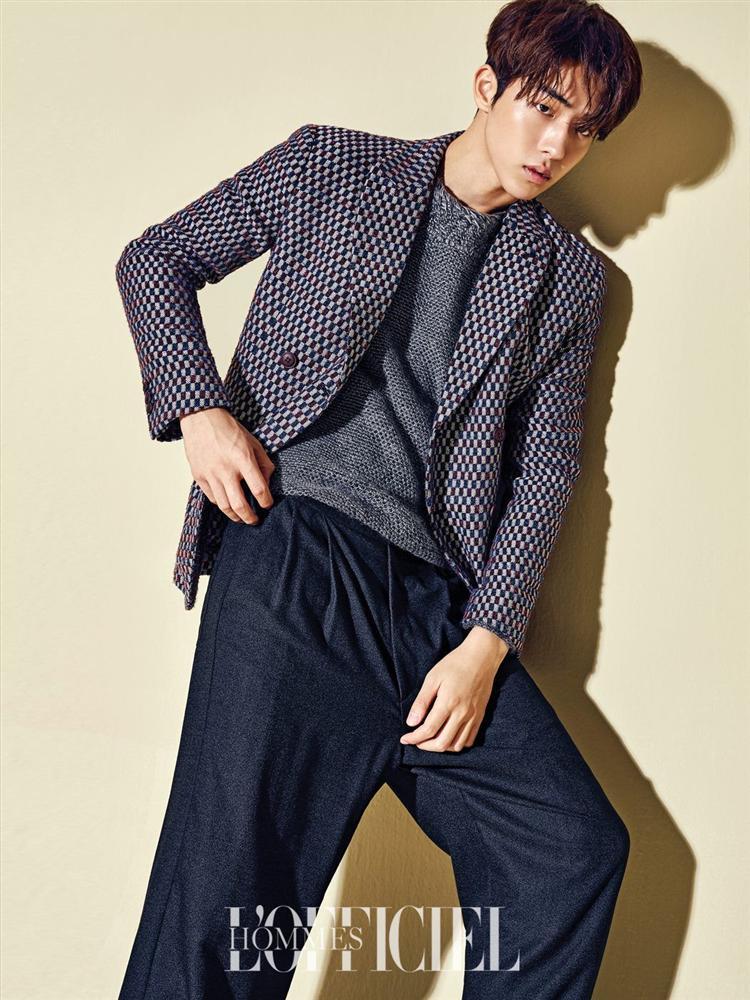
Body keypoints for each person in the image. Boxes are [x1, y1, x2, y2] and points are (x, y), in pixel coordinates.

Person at [114, 1, 642, 996]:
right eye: (542, 107)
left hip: (438, 611)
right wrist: (199, 411)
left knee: (568, 849)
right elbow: (156, 259)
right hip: (294, 555)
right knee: (228, 900)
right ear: (486, 86)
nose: (558, 145)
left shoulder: (568, 281)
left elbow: (546, 471)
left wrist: (486, 643)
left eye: (584, 129)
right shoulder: (333, 164)